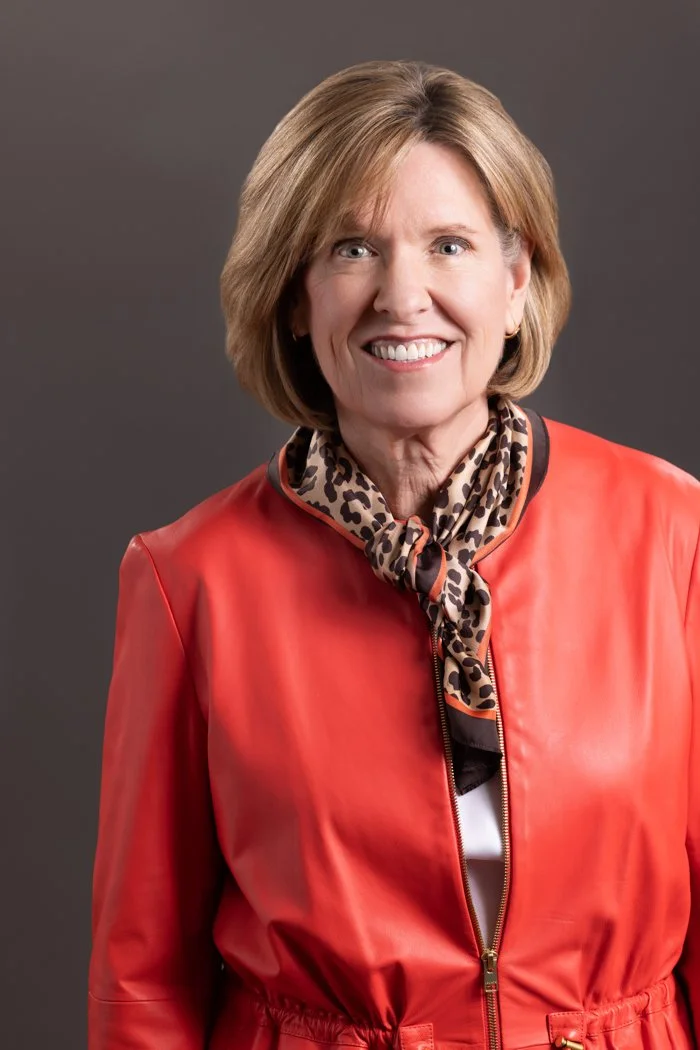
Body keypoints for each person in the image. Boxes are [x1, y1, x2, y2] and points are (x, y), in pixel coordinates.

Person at [88, 59, 700, 1050]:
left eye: (449, 245)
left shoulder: (673, 534)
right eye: (352, 250)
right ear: (296, 299)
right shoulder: (188, 580)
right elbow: (141, 981)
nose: (402, 296)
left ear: (516, 284)